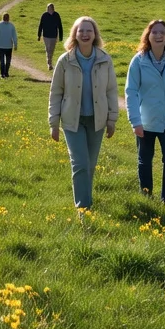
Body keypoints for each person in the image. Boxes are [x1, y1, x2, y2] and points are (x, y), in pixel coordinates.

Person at [48, 16, 120, 210]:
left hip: (97, 121)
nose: (85, 34)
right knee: (80, 163)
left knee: (90, 164)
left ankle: (86, 202)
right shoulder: (65, 60)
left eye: (89, 30)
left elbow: (111, 91)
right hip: (73, 120)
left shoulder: (105, 59)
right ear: (75, 34)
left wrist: (112, 119)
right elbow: (56, 92)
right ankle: (83, 208)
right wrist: (53, 123)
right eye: (81, 31)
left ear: (95, 34)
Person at [125, 20, 165, 203]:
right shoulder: (138, 61)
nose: (159, 36)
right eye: (155, 32)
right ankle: (146, 197)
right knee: (145, 160)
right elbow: (131, 92)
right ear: (148, 36)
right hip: (145, 121)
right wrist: (135, 121)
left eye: (162, 32)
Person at [37, 3, 64, 71]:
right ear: (47, 8)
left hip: (54, 35)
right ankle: (49, 64)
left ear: (53, 8)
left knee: (51, 49)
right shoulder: (44, 15)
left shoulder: (56, 15)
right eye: (49, 8)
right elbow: (41, 25)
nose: (50, 9)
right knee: (48, 49)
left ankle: (50, 62)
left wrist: (61, 36)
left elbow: (60, 26)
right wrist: (39, 35)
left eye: (51, 8)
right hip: (46, 35)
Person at [0, 13, 18, 78]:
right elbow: (14, 37)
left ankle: (3, 73)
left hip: (1, 46)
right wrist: (15, 45)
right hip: (8, 46)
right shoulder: (11, 26)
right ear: (8, 18)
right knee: (7, 61)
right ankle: (5, 73)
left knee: (2, 61)